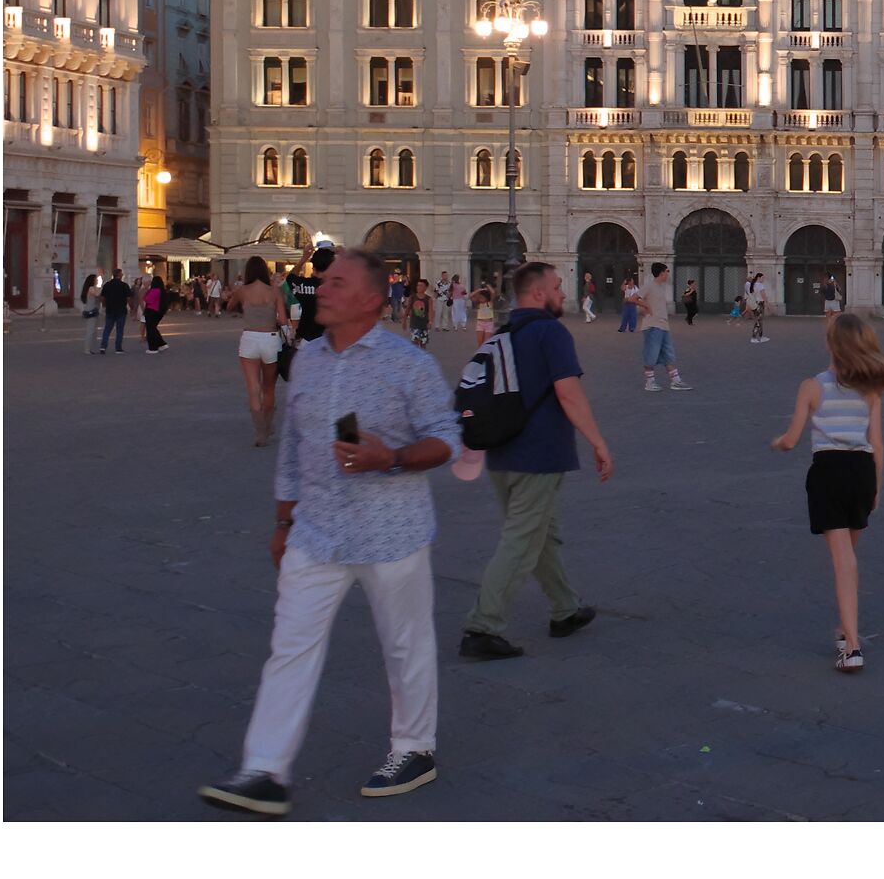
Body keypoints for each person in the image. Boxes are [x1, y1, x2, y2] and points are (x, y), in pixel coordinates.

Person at [198, 249, 460, 816]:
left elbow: (446, 438)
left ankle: (415, 747)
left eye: (337, 282)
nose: (322, 288)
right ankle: (265, 768)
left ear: (370, 298)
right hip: (315, 533)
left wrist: (389, 457)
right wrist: (282, 521)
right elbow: (293, 447)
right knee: (289, 647)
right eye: (324, 280)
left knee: (404, 643)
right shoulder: (309, 359)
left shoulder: (406, 363)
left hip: (392, 532)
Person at [460, 261, 614, 660]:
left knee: (539, 533)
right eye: (558, 287)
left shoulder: (503, 332)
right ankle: (482, 625)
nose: (564, 293)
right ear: (539, 293)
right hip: (538, 453)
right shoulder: (550, 331)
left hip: (502, 451)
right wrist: (598, 441)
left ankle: (565, 609)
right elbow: (568, 393)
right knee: (521, 541)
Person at [771, 311, 884, 673]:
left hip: (828, 472)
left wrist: (779, 442)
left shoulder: (812, 386)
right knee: (849, 558)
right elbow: (878, 444)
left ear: (831, 346)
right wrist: (877, 487)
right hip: (861, 472)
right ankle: (844, 628)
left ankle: (853, 646)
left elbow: (792, 439)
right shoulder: (871, 390)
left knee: (843, 563)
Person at [234, 256, 285, 447]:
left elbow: (230, 305)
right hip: (270, 339)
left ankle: (260, 432)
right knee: (269, 387)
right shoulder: (274, 291)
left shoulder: (242, 291)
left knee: (253, 388)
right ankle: (269, 424)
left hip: (249, 338)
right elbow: (283, 320)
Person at [639, 262, 691, 392]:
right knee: (651, 354)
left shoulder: (660, 287)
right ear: (662, 272)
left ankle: (676, 381)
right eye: (667, 271)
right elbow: (633, 298)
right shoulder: (649, 286)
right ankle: (650, 382)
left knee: (669, 354)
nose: (668, 273)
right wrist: (646, 307)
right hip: (652, 325)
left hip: (663, 325)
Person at [93, 267, 132, 354]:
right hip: (121, 310)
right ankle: (118, 348)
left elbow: (102, 297)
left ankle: (103, 346)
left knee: (107, 329)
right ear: (119, 275)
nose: (122, 275)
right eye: (121, 274)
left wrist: (104, 305)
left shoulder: (107, 285)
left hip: (110, 309)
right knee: (119, 329)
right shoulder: (124, 285)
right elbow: (129, 298)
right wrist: (131, 307)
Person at [140, 272, 169, 353]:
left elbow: (147, 299)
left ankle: (153, 348)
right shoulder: (162, 291)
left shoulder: (154, 290)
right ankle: (162, 344)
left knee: (150, 329)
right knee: (153, 328)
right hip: (159, 311)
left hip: (151, 311)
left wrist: (147, 292)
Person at [747, 271, 772, 343]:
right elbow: (763, 295)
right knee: (758, 321)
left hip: (754, 303)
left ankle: (761, 337)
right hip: (760, 304)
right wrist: (767, 304)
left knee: (759, 321)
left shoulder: (753, 284)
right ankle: (753, 337)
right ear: (759, 277)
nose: (763, 279)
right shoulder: (760, 285)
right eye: (762, 278)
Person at [407, 279, 431, 345]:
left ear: (426, 288)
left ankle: (422, 354)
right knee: (415, 343)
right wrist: (404, 321)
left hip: (424, 325)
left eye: (421, 286)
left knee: (423, 343)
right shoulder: (412, 297)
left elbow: (431, 311)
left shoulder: (428, 299)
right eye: (418, 285)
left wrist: (430, 321)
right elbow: (408, 309)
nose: (419, 287)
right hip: (414, 324)